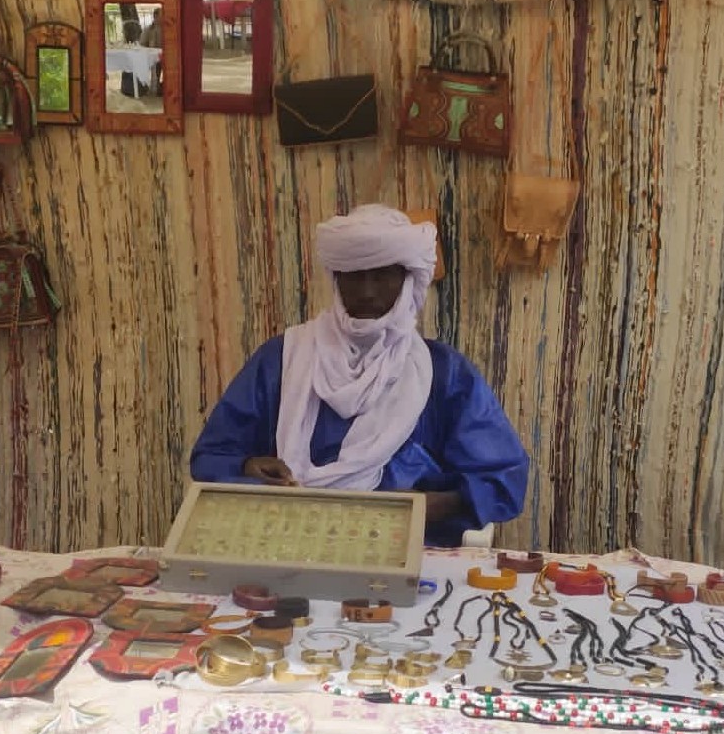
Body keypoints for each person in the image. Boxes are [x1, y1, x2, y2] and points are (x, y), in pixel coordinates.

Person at [189, 203, 529, 546]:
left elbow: (502, 478)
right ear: (337, 280)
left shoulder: (444, 373)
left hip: (411, 550)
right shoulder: (282, 358)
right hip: (285, 546)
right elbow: (212, 456)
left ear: (407, 281)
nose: (367, 292)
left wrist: (424, 508)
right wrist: (247, 465)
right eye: (354, 276)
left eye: (382, 276)